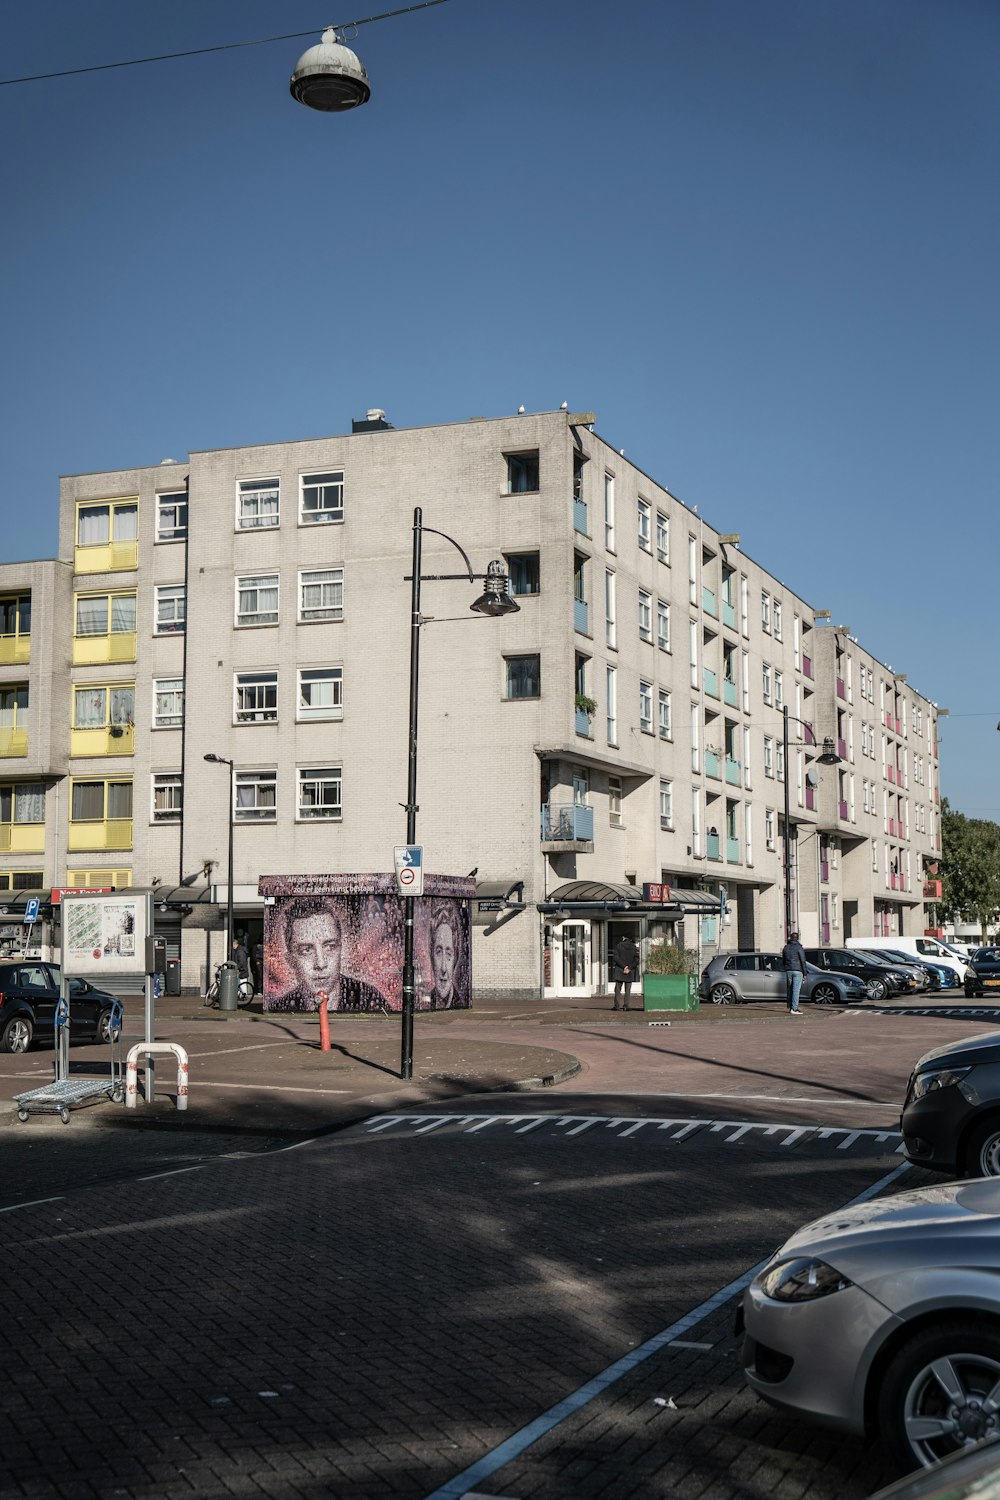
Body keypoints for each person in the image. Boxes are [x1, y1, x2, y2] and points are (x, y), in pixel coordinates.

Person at [271, 898, 385, 1012]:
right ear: (291, 961)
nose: (320, 964)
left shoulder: (369, 998)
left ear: (340, 949)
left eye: (330, 947)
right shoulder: (280, 1006)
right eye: (306, 950)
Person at [426, 900, 464, 1008]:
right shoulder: (426, 1002)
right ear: (431, 956)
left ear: (455, 959)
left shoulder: (459, 1004)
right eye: (438, 952)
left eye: (448, 954)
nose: (443, 968)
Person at [611, 934, 640, 1011]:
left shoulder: (619, 946)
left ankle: (617, 1006)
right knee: (628, 990)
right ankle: (626, 1006)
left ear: (624, 938)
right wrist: (629, 968)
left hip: (620, 970)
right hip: (629, 971)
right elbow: (637, 960)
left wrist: (624, 966)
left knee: (617, 989)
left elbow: (616, 958)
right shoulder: (634, 947)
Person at [781, 930, 808, 1014]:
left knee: (790, 989)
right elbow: (803, 961)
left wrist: (786, 967)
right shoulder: (799, 948)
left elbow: (784, 960)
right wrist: (805, 973)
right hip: (798, 970)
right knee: (796, 990)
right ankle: (794, 1008)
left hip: (789, 970)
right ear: (797, 939)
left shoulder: (786, 947)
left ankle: (790, 1007)